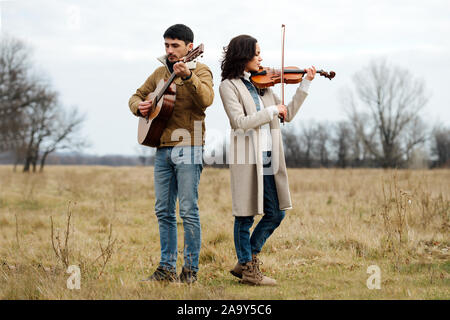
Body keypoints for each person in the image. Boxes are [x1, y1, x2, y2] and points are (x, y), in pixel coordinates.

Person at [219, 34, 316, 286]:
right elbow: (239, 123)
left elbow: (289, 114)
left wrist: (304, 83)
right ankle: (250, 270)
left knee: (276, 213)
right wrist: (272, 110)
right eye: (257, 53)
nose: (261, 58)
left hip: (270, 157)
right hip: (247, 159)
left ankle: (246, 259)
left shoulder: (263, 85)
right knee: (245, 215)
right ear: (243, 55)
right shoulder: (229, 86)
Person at [128, 24, 214, 284]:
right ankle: (166, 270)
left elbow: (207, 100)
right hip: (162, 148)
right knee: (163, 211)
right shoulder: (158, 73)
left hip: (190, 146)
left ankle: (190, 272)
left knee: (188, 210)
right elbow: (135, 96)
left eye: (175, 45)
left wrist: (188, 77)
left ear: (190, 47)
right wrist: (139, 107)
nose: (169, 50)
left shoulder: (201, 70)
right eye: (166, 45)